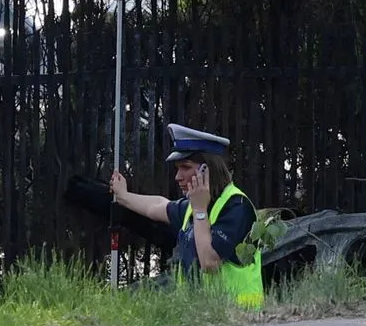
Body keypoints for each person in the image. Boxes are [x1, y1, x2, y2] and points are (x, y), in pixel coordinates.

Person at [110, 124, 265, 310]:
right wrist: (124, 196)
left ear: (207, 171)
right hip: (202, 319)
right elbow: (158, 206)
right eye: (177, 168)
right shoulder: (196, 205)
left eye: (185, 167)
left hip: (240, 319)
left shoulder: (237, 207)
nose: (178, 177)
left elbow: (209, 263)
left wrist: (200, 210)